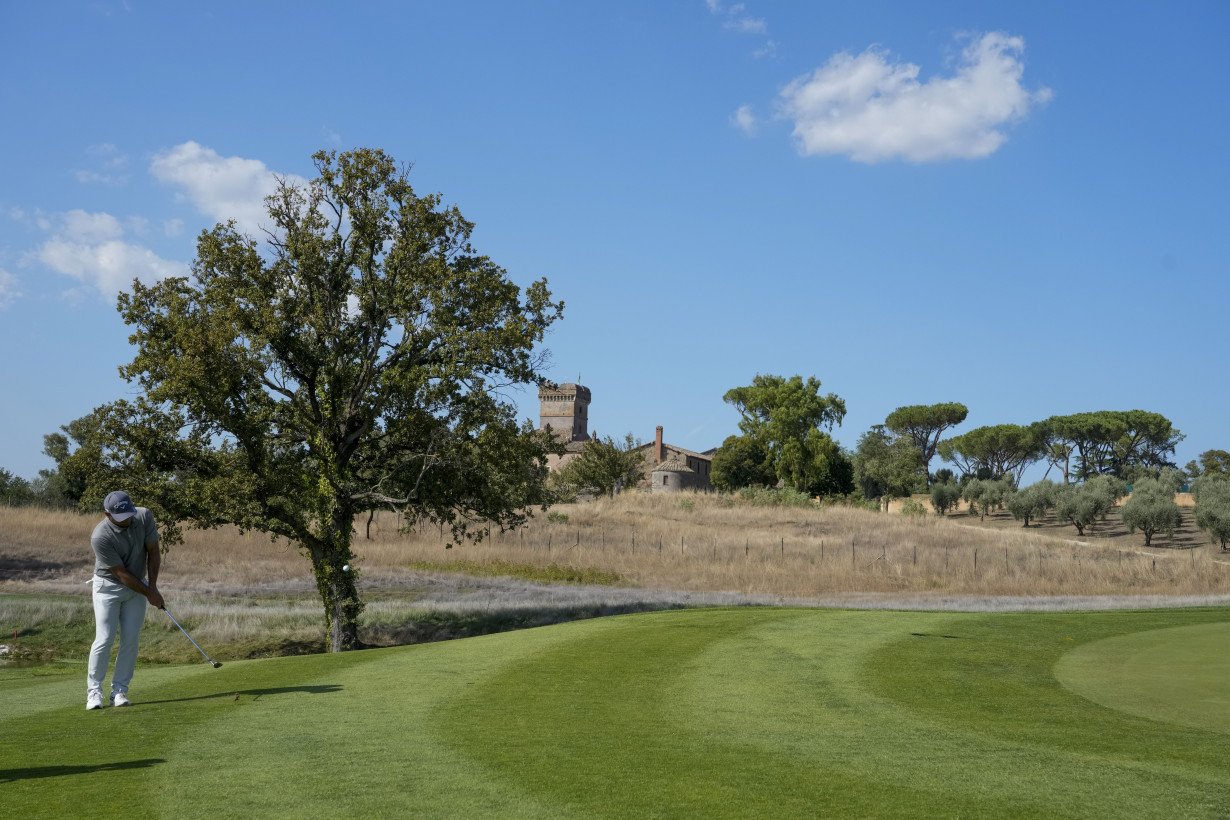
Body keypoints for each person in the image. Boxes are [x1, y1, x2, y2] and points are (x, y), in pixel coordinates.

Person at [86, 490, 164, 710]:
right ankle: (94, 693)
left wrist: (153, 586)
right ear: (106, 514)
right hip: (107, 587)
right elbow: (120, 573)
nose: (126, 520)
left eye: (128, 514)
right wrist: (149, 593)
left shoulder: (144, 516)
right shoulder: (100, 536)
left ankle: (119, 691)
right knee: (105, 638)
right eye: (120, 518)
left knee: (131, 639)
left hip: (137, 587)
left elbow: (154, 552)